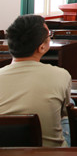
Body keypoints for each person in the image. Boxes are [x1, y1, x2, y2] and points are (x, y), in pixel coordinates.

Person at [0, 15, 71, 147]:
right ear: (41, 47)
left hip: (5, 151)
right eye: (49, 36)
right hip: (51, 152)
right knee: (68, 112)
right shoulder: (61, 75)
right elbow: (65, 112)